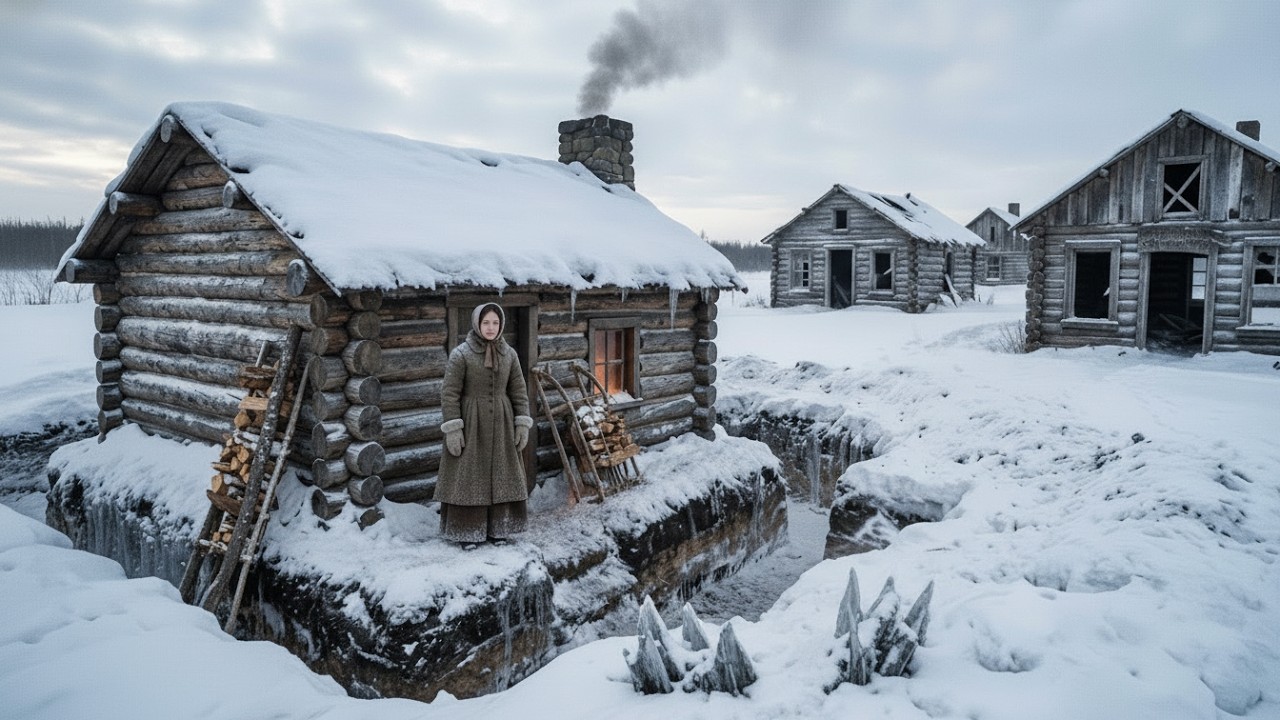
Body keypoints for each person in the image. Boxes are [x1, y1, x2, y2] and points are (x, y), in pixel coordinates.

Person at [436, 303, 533, 544]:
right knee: (469, 476)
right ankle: (467, 531)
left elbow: (519, 390)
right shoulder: (461, 354)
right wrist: (453, 428)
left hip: (502, 423)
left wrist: (522, 423)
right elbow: (449, 393)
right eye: (486, 322)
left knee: (503, 474)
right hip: (471, 423)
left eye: (495, 323)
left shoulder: (509, 354)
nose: (491, 328)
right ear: (477, 323)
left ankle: (498, 529)